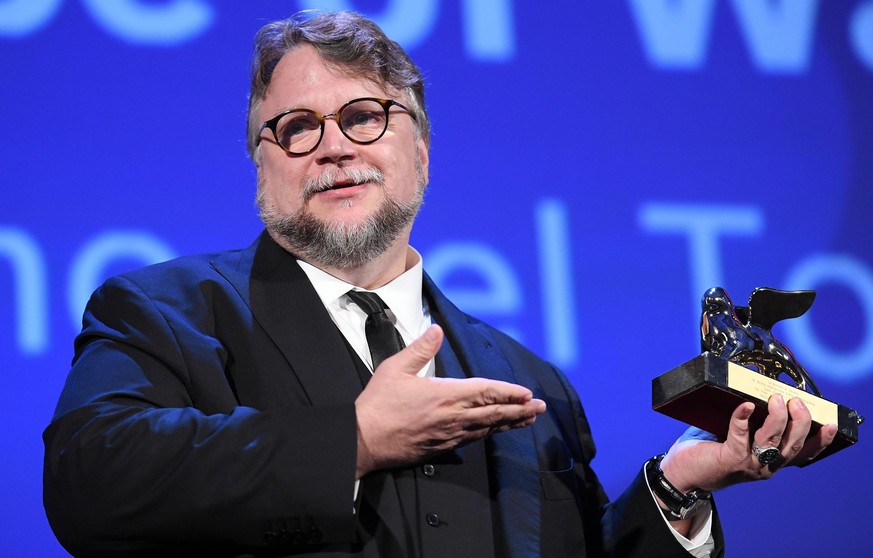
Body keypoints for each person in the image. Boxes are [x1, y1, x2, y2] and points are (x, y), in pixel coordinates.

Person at [42, 11, 836, 558]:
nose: (331, 147)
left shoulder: (530, 384)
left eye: (364, 116)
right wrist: (350, 442)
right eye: (295, 127)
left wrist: (676, 488)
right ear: (262, 163)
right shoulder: (163, 314)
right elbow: (89, 480)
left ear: (420, 154)